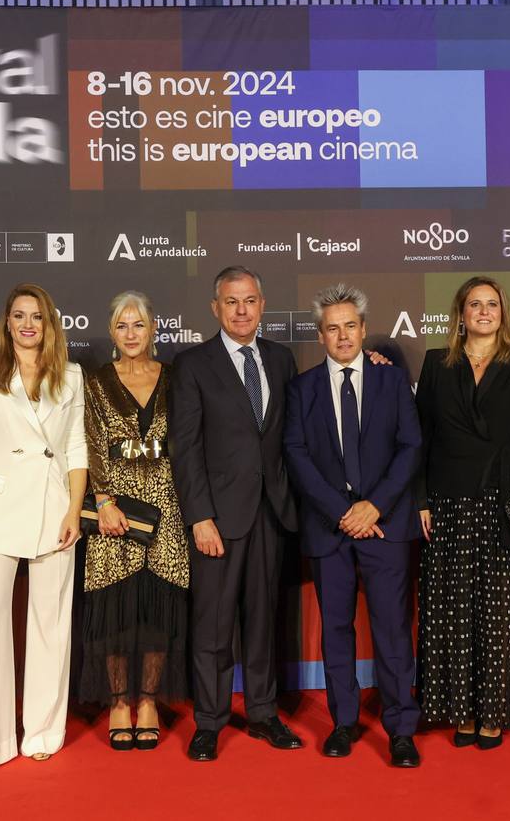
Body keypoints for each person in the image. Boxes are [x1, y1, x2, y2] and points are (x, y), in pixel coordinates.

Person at [283, 283, 423, 768]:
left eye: (350, 326)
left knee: (391, 629)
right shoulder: (301, 389)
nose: (342, 336)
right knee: (336, 628)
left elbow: (410, 448)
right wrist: (341, 512)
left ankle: (401, 728)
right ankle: (344, 722)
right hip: (329, 529)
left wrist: (374, 506)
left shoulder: (393, 381)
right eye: (332, 328)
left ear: (364, 330)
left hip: (385, 527)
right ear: (320, 336)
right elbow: (297, 456)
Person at [415, 276, 510, 749]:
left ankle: (494, 711)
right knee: (454, 612)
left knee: (499, 612)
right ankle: (462, 709)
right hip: (450, 504)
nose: (482, 311)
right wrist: (420, 499)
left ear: (503, 312)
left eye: (491, 304)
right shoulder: (437, 364)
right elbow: (422, 437)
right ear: (460, 314)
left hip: (506, 500)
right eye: (473, 304)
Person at [169, 265, 303, 761]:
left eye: (249, 300)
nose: (241, 310)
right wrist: (199, 516)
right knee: (213, 624)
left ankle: (265, 713)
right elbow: (186, 448)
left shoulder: (281, 359)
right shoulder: (192, 364)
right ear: (215, 308)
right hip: (218, 521)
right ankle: (209, 720)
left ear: (262, 304)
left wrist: (372, 361)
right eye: (231, 301)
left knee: (263, 621)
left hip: (272, 513)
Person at [0, 284, 88, 776]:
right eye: (19, 315)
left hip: (54, 508)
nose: (29, 324)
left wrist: (74, 509)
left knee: (50, 622)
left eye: (37, 316)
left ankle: (42, 731)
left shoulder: (70, 377)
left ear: (49, 323)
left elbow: (76, 448)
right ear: (7, 322)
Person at [80, 291, 189, 750]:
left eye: (139, 325)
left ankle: (148, 701)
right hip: (115, 512)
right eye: (122, 326)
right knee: (116, 614)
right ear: (111, 331)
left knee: (158, 612)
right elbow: (89, 441)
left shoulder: (176, 377)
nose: (131, 334)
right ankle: (119, 702)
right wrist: (103, 501)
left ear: (154, 329)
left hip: (168, 504)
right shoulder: (97, 381)